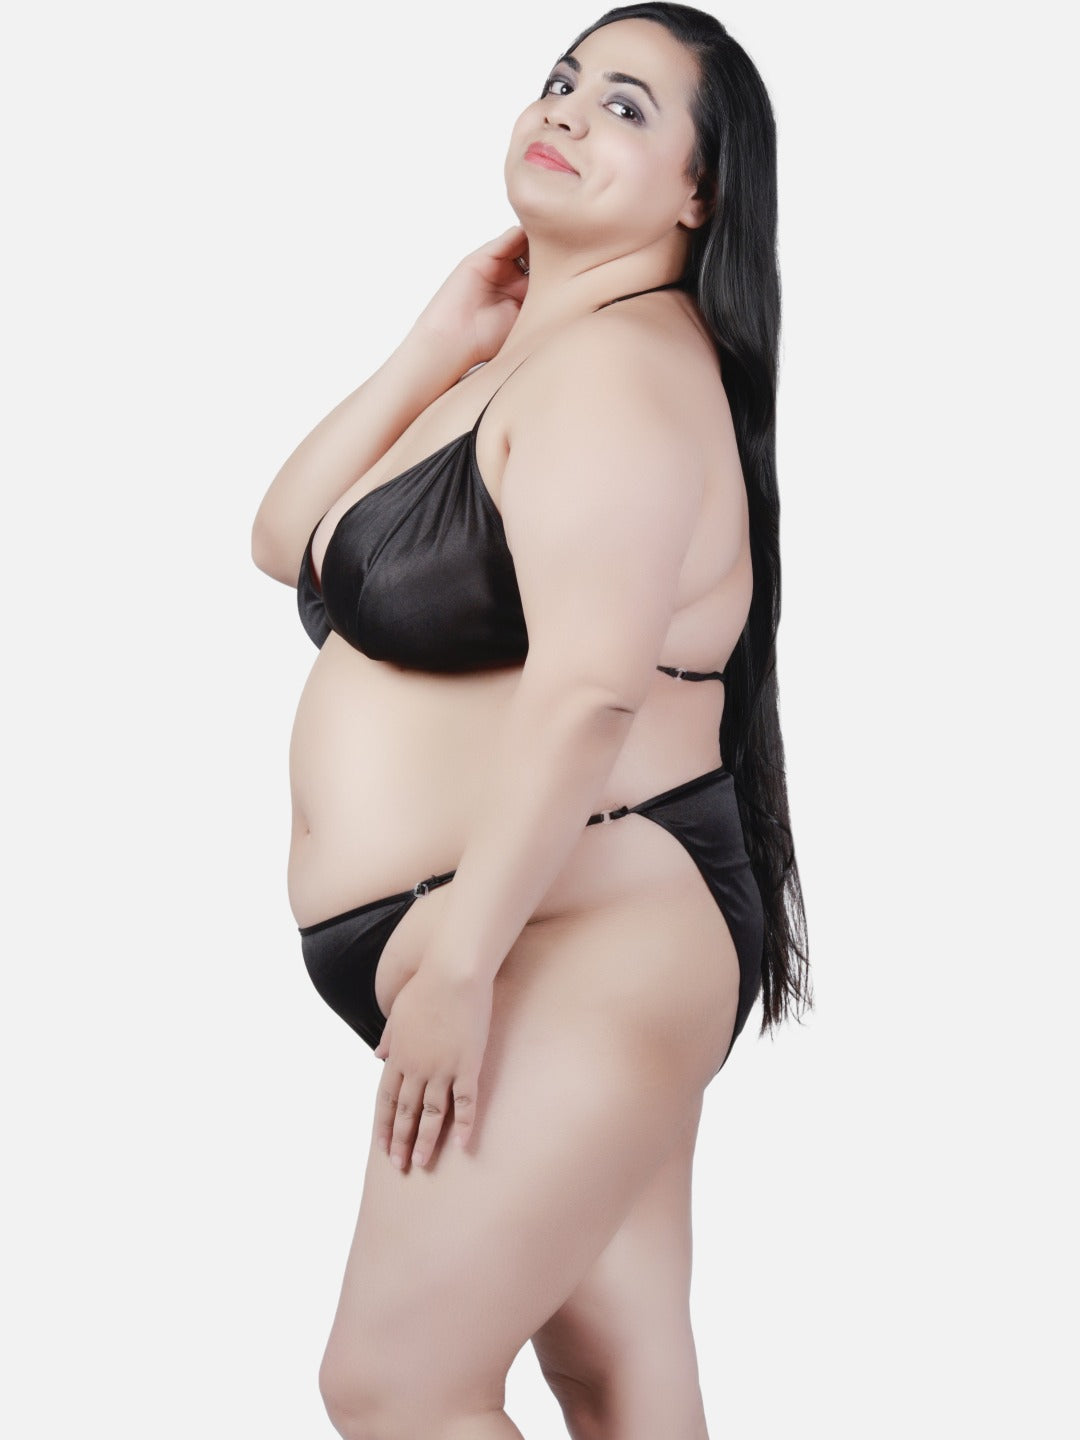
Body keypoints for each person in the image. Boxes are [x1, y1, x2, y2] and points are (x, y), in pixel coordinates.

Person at [252, 4, 810, 1436]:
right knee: (618, 1374)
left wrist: (460, 964)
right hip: (518, 934)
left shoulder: (623, 372)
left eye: (626, 106)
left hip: (568, 935)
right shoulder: (527, 361)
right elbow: (284, 537)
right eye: (561, 81)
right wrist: (436, 338)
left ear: (701, 193)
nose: (564, 109)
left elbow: (588, 689)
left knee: (395, 1387)